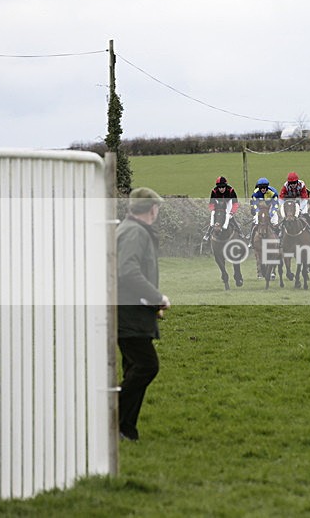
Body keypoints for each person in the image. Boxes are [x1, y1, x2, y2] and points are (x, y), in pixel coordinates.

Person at [116, 187, 170, 442]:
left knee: (133, 368)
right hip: (129, 315)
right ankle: (113, 416)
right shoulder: (135, 232)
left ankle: (125, 429)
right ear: (152, 209)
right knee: (147, 366)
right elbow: (127, 272)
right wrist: (157, 298)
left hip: (131, 311)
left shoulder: (130, 229)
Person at [204, 176, 240, 241]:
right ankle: (207, 234)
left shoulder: (231, 190)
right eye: (219, 187)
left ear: (225, 186)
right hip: (218, 203)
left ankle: (239, 232)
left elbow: (235, 203)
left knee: (229, 216)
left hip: (228, 202)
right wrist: (213, 210)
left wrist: (232, 212)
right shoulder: (214, 191)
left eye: (223, 187)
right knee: (213, 214)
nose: (221, 189)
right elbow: (211, 203)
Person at [249, 177, 280, 246]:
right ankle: (251, 241)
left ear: (267, 187)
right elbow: (254, 205)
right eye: (261, 188)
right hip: (260, 210)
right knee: (255, 222)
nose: (263, 189)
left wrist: (270, 214)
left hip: (270, 209)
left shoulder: (273, 193)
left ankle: (279, 240)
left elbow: (275, 205)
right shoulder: (255, 193)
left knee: (275, 223)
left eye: (264, 187)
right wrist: (258, 213)